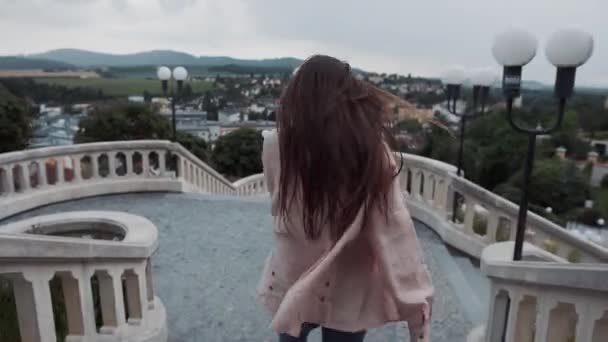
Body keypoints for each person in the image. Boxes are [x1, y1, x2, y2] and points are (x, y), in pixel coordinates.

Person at [257, 55, 433, 342]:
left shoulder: (276, 145)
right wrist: (417, 313)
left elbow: (277, 203)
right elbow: (395, 232)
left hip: (293, 272)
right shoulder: (372, 153)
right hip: (350, 280)